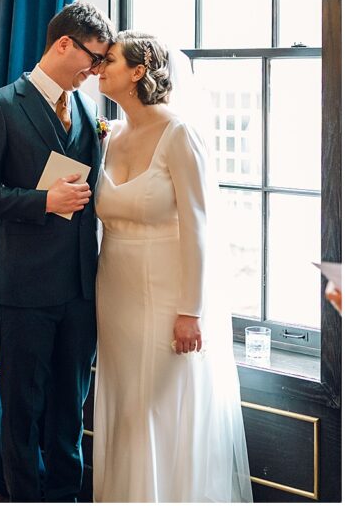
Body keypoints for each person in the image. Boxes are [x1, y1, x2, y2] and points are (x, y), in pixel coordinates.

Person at [0, 2, 116, 502]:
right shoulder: (0, 106)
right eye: (92, 59)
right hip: (23, 289)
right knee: (22, 411)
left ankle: (67, 497)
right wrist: (43, 201)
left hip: (80, 289)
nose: (95, 72)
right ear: (63, 44)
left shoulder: (90, 113)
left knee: (70, 409)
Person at [93, 31, 251, 502]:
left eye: (110, 60)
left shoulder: (180, 133)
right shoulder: (112, 135)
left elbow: (200, 227)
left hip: (166, 296)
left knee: (154, 409)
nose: (100, 67)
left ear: (138, 72)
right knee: (124, 408)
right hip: (114, 292)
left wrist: (191, 310)